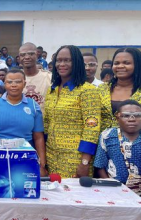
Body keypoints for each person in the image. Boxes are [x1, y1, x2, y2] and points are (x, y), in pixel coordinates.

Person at [0, 68, 47, 176]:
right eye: (9, 82)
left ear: (24, 83)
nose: (13, 85)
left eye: (18, 82)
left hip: (24, 158)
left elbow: (38, 137)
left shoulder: (33, 105)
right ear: (4, 84)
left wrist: (42, 164)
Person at [44, 45, 101, 178]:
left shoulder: (87, 90)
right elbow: (47, 123)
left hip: (75, 158)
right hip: (52, 157)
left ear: (77, 63)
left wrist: (84, 162)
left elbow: (92, 127)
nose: (61, 64)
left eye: (67, 60)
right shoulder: (52, 90)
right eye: (58, 60)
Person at [94, 100, 141, 195]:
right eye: (126, 115)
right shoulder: (107, 136)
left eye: (137, 115)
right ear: (117, 117)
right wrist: (109, 186)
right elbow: (100, 165)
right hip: (114, 190)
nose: (132, 119)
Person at [99, 48, 141, 132]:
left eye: (126, 63)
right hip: (101, 142)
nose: (120, 66)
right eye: (116, 63)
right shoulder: (101, 89)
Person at [19, 42, 52, 111]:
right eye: (23, 55)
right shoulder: (15, 77)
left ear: (37, 55)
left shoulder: (49, 77)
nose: (27, 57)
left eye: (31, 54)